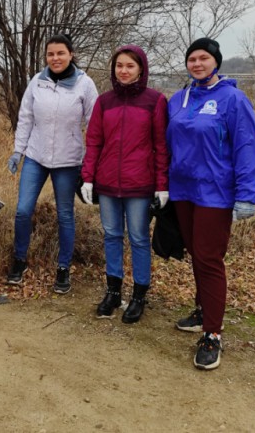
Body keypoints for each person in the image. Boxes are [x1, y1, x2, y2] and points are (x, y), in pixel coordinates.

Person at [167, 37, 255, 370]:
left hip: (215, 192)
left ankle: (212, 335)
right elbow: (167, 144)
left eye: (203, 58)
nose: (197, 64)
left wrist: (248, 194)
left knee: (209, 258)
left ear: (216, 62)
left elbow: (248, 147)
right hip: (183, 190)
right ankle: (202, 311)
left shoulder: (233, 99)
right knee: (196, 254)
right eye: (192, 59)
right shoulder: (178, 100)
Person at [80, 45, 169, 323]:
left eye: (130, 65)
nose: (124, 70)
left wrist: (162, 185)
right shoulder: (104, 102)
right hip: (107, 183)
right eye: (119, 65)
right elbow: (94, 141)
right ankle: (114, 291)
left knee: (139, 238)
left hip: (139, 184)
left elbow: (161, 146)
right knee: (112, 236)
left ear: (140, 69)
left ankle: (139, 295)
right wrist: (88, 178)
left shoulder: (154, 101)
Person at [6, 34, 98, 293]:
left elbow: (94, 124)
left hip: (68, 160)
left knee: (65, 215)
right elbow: (25, 118)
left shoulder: (85, 84)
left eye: (60, 53)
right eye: (50, 54)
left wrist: (91, 161)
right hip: (36, 156)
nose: (55, 58)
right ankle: (19, 260)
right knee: (24, 210)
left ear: (71, 54)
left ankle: (63, 268)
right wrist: (18, 151)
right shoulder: (38, 81)